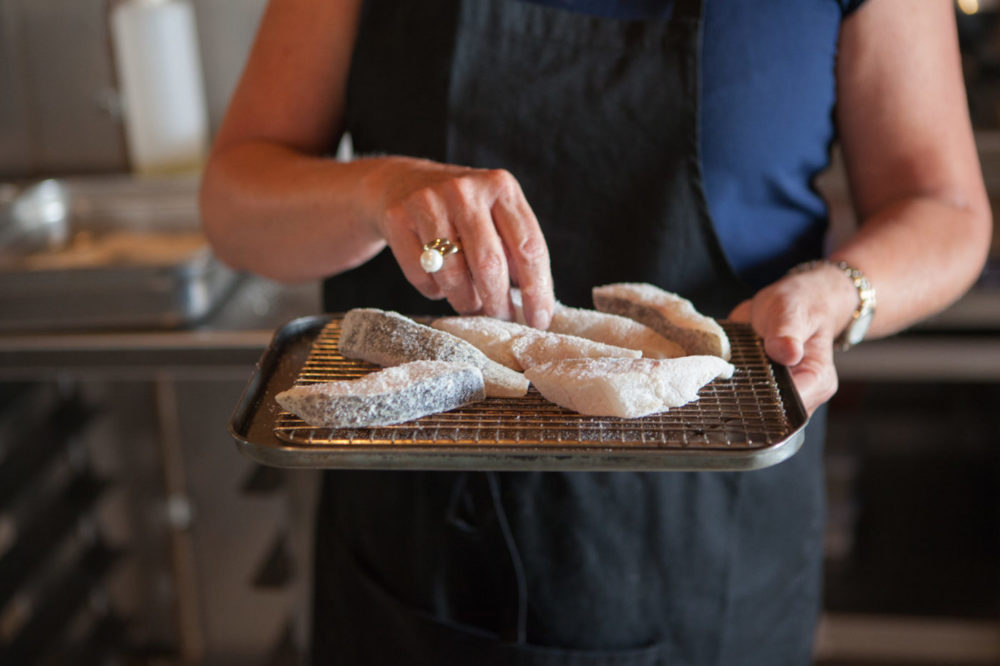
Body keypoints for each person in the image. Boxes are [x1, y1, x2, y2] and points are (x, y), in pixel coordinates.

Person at [200, 0, 993, 663]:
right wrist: (377, 189)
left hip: (714, 547)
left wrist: (838, 292)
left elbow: (947, 212)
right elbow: (234, 202)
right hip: (419, 543)